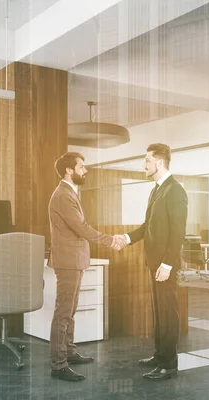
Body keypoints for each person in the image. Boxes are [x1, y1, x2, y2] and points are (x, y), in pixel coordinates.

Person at [48, 152, 125, 382]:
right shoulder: (63, 195)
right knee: (63, 313)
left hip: (75, 260)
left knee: (69, 311)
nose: (85, 170)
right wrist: (110, 240)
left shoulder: (69, 192)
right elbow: (81, 228)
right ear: (68, 170)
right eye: (82, 166)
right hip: (68, 262)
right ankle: (58, 364)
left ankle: (69, 353)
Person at [123, 143, 188, 381]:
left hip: (165, 265)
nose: (144, 165)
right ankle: (160, 355)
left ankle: (169, 364)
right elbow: (147, 226)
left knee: (168, 314)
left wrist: (168, 264)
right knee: (159, 312)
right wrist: (127, 238)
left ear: (159, 163)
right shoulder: (156, 190)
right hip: (154, 262)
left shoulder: (175, 190)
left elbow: (178, 232)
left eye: (147, 161)